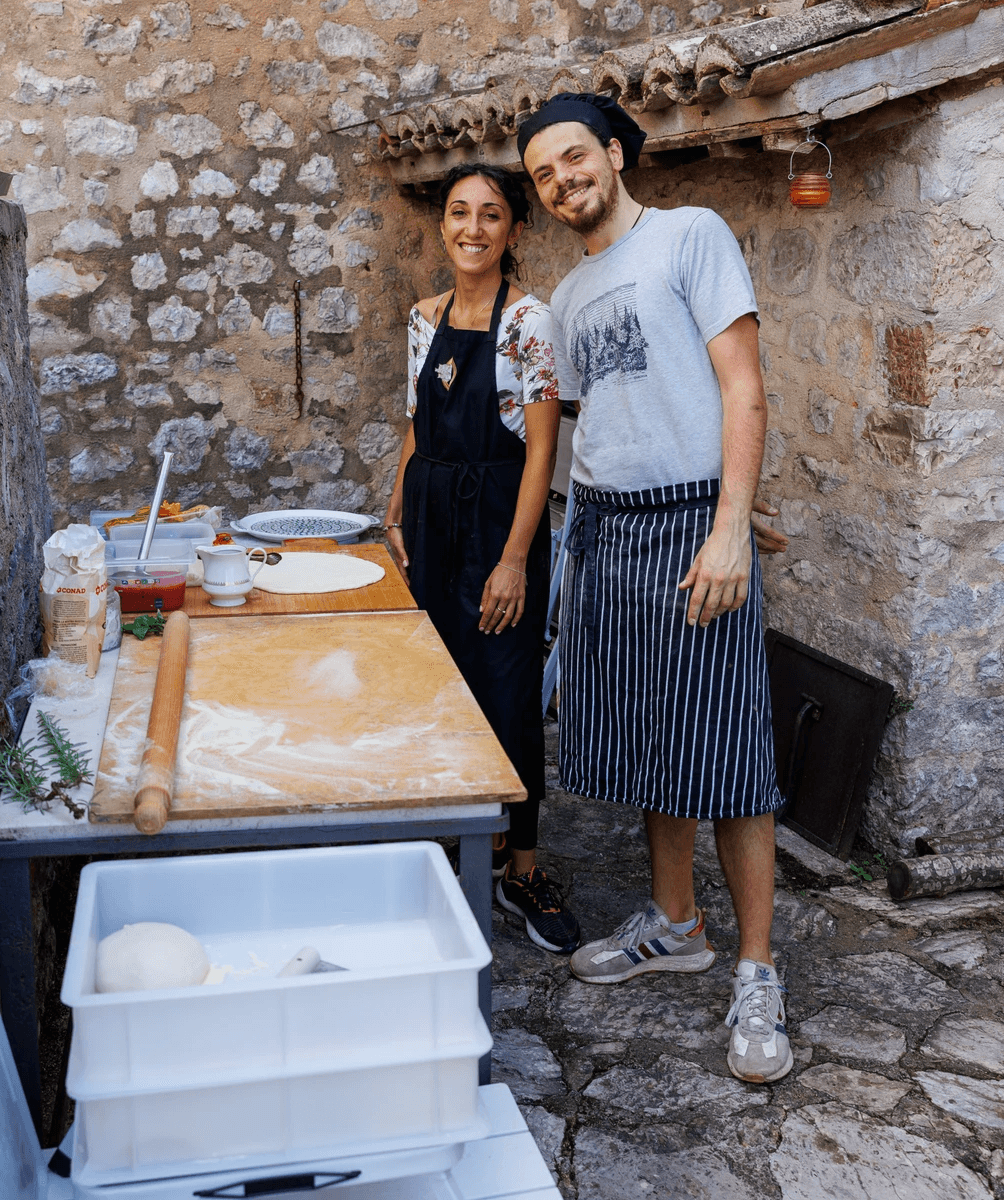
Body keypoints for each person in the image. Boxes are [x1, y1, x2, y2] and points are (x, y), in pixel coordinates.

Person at [518, 93, 793, 1083]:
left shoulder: (690, 236)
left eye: (573, 158)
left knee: (729, 747)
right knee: (650, 738)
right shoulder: (566, 297)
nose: (562, 181)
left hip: (690, 530)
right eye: (543, 175)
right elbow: (600, 414)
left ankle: (757, 970)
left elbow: (741, 386)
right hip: (606, 528)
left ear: (615, 153)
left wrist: (729, 522)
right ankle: (675, 923)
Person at [385, 164, 581, 955]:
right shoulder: (423, 317)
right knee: (438, 681)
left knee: (506, 686)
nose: (472, 228)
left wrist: (514, 561)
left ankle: (521, 868)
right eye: (459, 213)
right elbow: (414, 422)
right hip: (431, 516)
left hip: (498, 517)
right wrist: (396, 510)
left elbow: (542, 452)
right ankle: (456, 840)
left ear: (514, 230)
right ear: (443, 225)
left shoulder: (530, 321)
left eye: (491, 214)